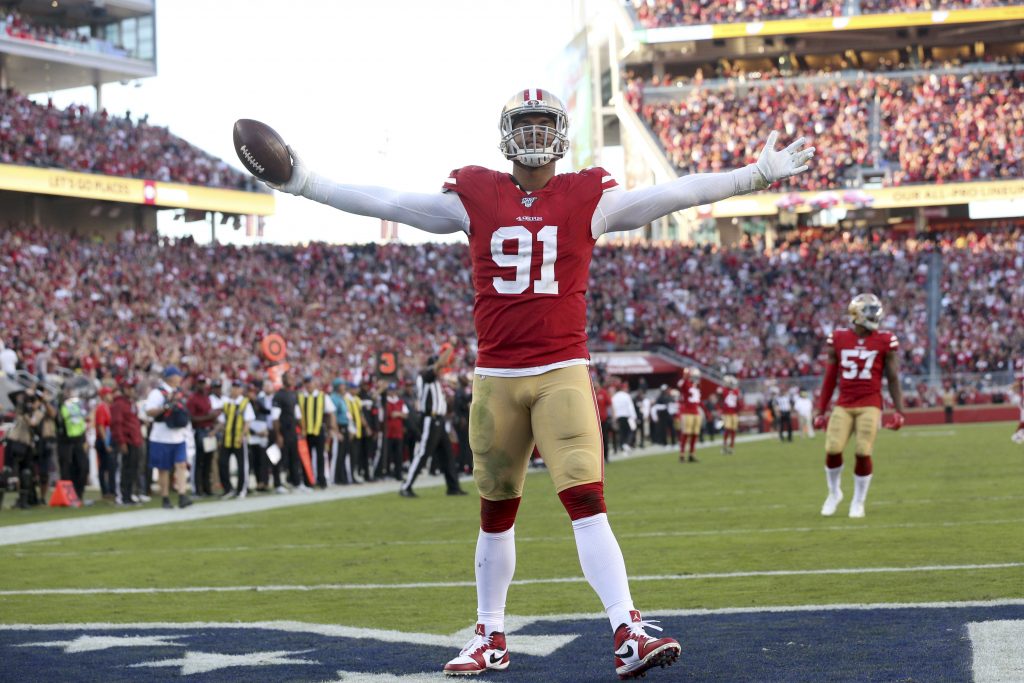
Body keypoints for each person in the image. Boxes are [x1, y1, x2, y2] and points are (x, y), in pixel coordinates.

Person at [264, 87, 812, 679]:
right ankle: (490, 634)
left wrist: (752, 175)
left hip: (560, 373)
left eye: (539, 123)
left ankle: (627, 629)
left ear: (558, 132)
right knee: (496, 511)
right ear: (506, 133)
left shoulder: (586, 196)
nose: (530, 135)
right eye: (520, 124)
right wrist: (306, 183)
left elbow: (669, 195)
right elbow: (394, 202)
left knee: (586, 502)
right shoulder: (475, 194)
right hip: (497, 378)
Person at [812, 293, 905, 519]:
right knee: (832, 449)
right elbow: (830, 378)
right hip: (843, 403)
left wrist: (899, 411)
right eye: (870, 311)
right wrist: (820, 410)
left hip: (870, 403)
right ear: (856, 314)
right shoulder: (839, 338)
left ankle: (858, 501)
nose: (875, 315)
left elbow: (893, 378)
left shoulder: (885, 340)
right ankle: (834, 493)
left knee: (863, 451)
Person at [401, 347, 466, 498]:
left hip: (439, 420)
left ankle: (453, 487)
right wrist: (450, 347)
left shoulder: (435, 380)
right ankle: (406, 486)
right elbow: (439, 366)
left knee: (448, 454)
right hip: (430, 419)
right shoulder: (425, 375)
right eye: (440, 367)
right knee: (423, 453)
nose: (442, 370)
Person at [144, 366, 193, 510]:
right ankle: (165, 497)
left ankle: (182, 495)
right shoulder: (157, 393)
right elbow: (149, 411)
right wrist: (164, 408)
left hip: (178, 436)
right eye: (178, 376)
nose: (180, 379)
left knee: (181, 464)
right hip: (161, 437)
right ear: (171, 377)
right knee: (163, 468)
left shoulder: (178, 393)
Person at [218, 380, 255, 499]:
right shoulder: (225, 402)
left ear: (241, 390)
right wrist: (217, 433)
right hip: (227, 438)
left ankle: (242, 489)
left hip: (239, 438)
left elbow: (248, 422)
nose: (235, 389)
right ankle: (228, 488)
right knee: (222, 463)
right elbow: (222, 421)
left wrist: (242, 435)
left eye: (237, 387)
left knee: (242, 465)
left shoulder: (245, 403)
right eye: (233, 387)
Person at [109, 376, 143, 505]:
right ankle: (122, 496)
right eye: (129, 388)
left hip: (135, 440)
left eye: (133, 387)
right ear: (124, 389)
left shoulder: (131, 403)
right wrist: (122, 442)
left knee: (133, 469)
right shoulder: (119, 404)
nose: (132, 390)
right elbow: (116, 425)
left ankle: (129, 495)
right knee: (124, 469)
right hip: (127, 441)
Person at [299, 374, 336, 488]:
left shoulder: (322, 396)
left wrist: (331, 428)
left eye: (310, 382)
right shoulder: (300, 397)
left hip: (318, 430)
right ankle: (308, 481)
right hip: (305, 432)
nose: (309, 385)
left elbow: (331, 413)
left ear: (314, 383)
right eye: (306, 383)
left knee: (321, 456)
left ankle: (321, 479)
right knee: (306, 457)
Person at [186, 375, 221, 497]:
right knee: (199, 461)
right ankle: (197, 488)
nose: (202, 385)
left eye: (203, 383)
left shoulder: (206, 397)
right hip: (199, 431)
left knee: (208, 460)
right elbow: (191, 418)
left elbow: (209, 413)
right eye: (200, 383)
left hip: (209, 431)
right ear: (196, 384)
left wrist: (213, 419)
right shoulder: (192, 399)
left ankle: (207, 488)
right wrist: (208, 417)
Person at [678, 368, 702, 463]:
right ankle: (682, 454)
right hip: (687, 412)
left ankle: (692, 454)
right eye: (694, 376)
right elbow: (682, 385)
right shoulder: (685, 383)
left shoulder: (696, 386)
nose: (696, 378)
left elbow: (698, 400)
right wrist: (686, 375)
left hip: (696, 412)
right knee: (686, 433)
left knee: (695, 434)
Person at [611, 380, 637, 454]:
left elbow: (613, 407)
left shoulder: (614, 397)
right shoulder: (626, 396)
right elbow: (630, 406)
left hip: (619, 417)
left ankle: (623, 446)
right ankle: (627, 444)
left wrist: (614, 418)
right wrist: (634, 416)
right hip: (627, 416)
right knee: (631, 430)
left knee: (622, 432)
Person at [719, 376, 740, 454]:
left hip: (734, 413)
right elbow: (721, 397)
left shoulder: (736, 391)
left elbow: (738, 403)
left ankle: (731, 447)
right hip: (727, 413)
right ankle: (724, 446)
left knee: (733, 430)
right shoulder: (724, 390)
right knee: (727, 429)